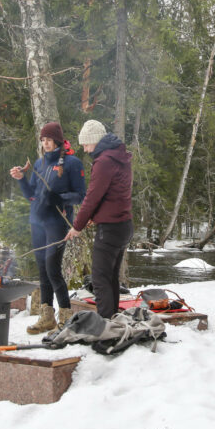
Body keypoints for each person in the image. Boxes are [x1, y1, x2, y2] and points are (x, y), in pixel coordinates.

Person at [10, 122, 86, 333]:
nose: (46, 144)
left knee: (53, 269)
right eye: (43, 140)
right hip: (37, 222)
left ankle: (65, 317)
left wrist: (59, 198)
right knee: (43, 271)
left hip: (58, 223)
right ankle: (47, 317)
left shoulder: (72, 163)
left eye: (49, 140)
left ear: (58, 141)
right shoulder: (40, 163)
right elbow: (32, 196)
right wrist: (21, 179)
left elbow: (81, 195)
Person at [65, 120, 133, 318]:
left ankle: (104, 326)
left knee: (100, 279)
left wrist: (77, 226)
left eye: (86, 144)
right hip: (124, 226)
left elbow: (92, 197)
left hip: (110, 229)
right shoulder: (119, 157)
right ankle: (111, 321)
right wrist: (94, 217)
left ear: (95, 141)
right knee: (110, 277)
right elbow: (112, 195)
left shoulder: (104, 161)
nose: (85, 149)